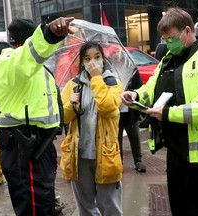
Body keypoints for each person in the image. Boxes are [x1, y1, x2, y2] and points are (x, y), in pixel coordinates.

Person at [120, 8, 198, 216]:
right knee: (180, 210)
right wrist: (137, 96)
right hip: (177, 156)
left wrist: (168, 113)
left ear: (187, 31)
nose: (168, 43)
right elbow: (152, 89)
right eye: (164, 38)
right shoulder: (167, 61)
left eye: (172, 38)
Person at [0, 17, 74, 216]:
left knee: (43, 205)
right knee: (35, 210)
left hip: (38, 148)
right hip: (25, 148)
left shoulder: (34, 68)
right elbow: (26, 57)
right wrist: (49, 34)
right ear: (29, 41)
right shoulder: (8, 61)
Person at [60, 41, 123, 216]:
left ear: (103, 59)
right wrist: (71, 106)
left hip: (106, 154)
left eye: (97, 57)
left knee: (110, 206)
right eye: (87, 58)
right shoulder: (73, 85)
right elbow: (62, 117)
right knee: (85, 206)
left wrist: (96, 78)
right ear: (81, 62)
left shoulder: (112, 82)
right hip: (80, 155)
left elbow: (107, 106)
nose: (92, 62)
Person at [118, 69, 146, 172]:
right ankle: (118, 162)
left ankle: (138, 161)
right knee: (117, 139)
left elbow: (140, 88)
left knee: (134, 136)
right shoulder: (108, 70)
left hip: (131, 112)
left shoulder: (132, 69)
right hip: (117, 112)